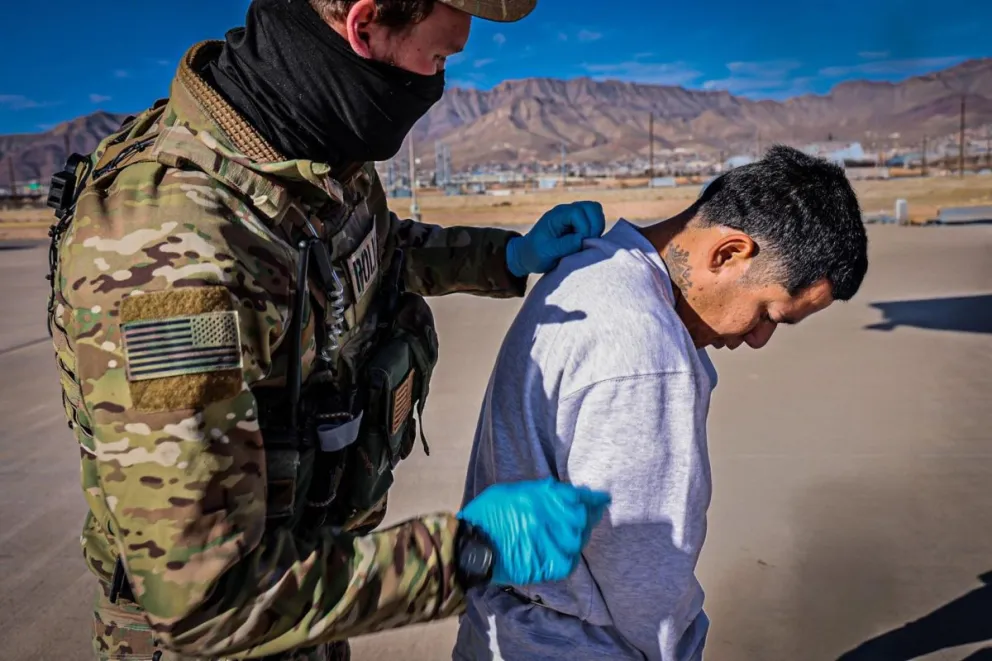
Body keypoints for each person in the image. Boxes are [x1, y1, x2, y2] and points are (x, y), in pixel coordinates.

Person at [43, 1, 610, 660]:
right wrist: (468, 553)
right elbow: (205, 603)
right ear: (363, 26)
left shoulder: (303, 143)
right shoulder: (172, 256)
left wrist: (508, 255)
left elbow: (368, 249)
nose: (438, 81)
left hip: (312, 600)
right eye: (439, 57)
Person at [452, 145, 870, 661]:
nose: (758, 339)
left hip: (501, 629)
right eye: (768, 313)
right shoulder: (647, 350)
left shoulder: (589, 267)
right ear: (728, 253)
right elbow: (642, 573)